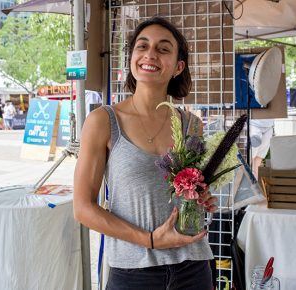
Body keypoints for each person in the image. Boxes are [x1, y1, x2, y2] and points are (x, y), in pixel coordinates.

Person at [74, 17, 216, 290]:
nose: (150, 54)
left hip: (193, 267)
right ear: (132, 58)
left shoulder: (192, 125)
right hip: (133, 272)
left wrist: (201, 198)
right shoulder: (103, 121)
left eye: (163, 49)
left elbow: (189, 193)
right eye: (142, 46)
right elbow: (82, 208)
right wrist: (149, 240)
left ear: (178, 66)